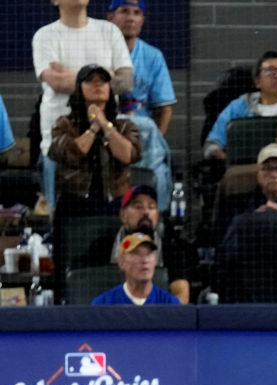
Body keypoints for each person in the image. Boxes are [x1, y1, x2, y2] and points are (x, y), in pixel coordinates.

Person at [33, 0, 133, 212]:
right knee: (60, 220)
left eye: (100, 79)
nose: (96, 84)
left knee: (113, 216)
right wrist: (105, 75)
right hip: (61, 144)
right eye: (91, 79)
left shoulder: (110, 31)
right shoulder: (45, 35)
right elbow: (56, 82)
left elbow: (125, 81)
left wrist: (72, 75)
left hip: (108, 141)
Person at [48, 64, 142, 224]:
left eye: (103, 81)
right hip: (75, 202)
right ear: (79, 88)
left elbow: (128, 155)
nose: (98, 84)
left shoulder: (125, 126)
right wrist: (94, 127)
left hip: (114, 202)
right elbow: (72, 153)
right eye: (90, 80)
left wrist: (104, 124)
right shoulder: (64, 124)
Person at [203, 51, 277, 160]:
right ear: (257, 81)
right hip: (245, 170)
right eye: (271, 71)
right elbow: (213, 144)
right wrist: (229, 163)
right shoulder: (239, 106)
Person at [110, 184, 192, 304]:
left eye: (151, 207)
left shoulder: (173, 251)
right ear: (123, 215)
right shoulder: (101, 248)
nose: (145, 212)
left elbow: (181, 295)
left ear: (157, 215)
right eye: (138, 207)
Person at [106, 0, 175, 137]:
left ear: (142, 20)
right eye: (124, 11)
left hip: (140, 136)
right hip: (104, 133)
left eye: (136, 13)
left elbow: (165, 108)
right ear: (110, 18)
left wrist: (156, 141)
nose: (131, 18)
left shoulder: (153, 56)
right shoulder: (98, 52)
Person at [92, 232, 181, 305]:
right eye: (136, 254)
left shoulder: (170, 304)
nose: (145, 260)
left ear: (155, 261)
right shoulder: (103, 304)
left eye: (149, 254)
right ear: (122, 263)